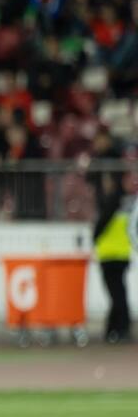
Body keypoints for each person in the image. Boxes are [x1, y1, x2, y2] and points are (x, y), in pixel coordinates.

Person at [88, 126, 133, 344]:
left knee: (116, 294)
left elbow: (103, 223)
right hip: (121, 250)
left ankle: (117, 329)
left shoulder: (112, 201)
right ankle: (117, 329)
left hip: (111, 251)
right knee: (119, 293)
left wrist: (94, 236)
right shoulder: (123, 200)